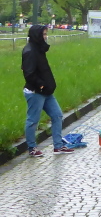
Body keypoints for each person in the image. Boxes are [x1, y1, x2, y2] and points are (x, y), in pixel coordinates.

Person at [22, 25, 75, 157]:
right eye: (43, 34)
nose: (45, 37)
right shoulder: (29, 51)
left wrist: (47, 86)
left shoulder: (39, 49)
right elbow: (29, 73)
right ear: (36, 35)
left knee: (57, 115)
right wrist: (41, 85)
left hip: (47, 92)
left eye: (46, 34)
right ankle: (32, 148)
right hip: (35, 92)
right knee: (33, 120)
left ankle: (58, 146)